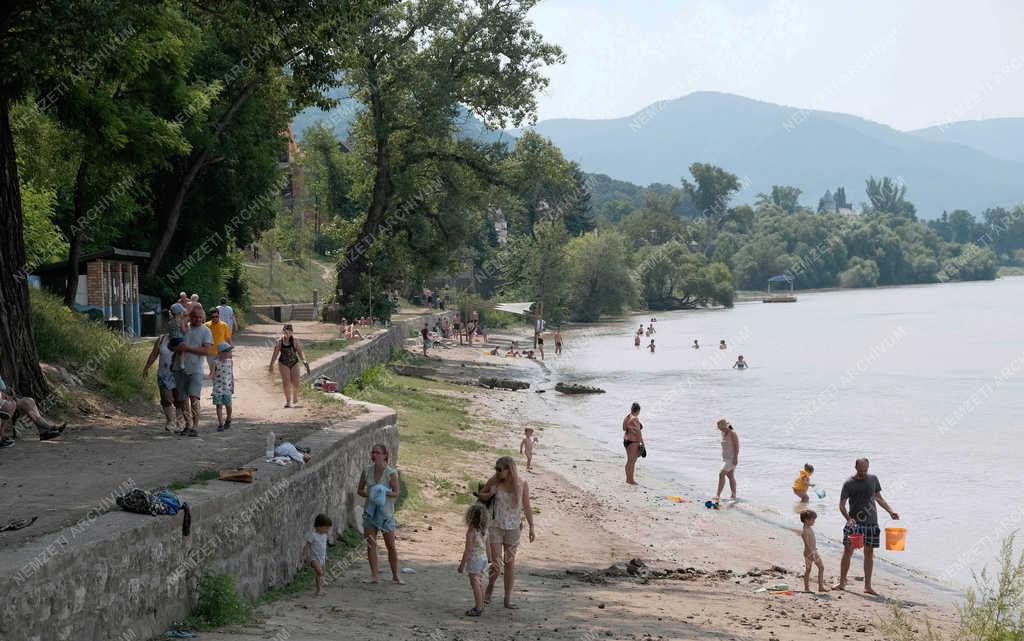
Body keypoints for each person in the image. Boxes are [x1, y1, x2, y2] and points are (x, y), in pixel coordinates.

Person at [833, 458, 899, 595]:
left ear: (868, 467)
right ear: (855, 467)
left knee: (869, 553)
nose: (863, 472)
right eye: (860, 470)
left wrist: (891, 511)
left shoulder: (873, 479)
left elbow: (879, 498)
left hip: (871, 524)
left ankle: (868, 586)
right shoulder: (848, 483)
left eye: (865, 469)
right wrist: (848, 519)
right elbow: (841, 505)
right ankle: (842, 582)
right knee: (848, 551)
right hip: (855, 524)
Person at [478, 456, 535, 609]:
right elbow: (480, 497)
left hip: (514, 529)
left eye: (499, 469)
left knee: (509, 564)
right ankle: (490, 587)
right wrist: (490, 494)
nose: (496, 472)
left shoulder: (522, 484)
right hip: (495, 527)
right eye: (495, 469)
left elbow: (527, 506)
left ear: (509, 470)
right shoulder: (494, 480)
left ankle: (507, 598)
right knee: (496, 563)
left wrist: (531, 527)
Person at [357, 444, 403, 584]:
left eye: (377, 452)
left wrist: (383, 492)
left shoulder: (391, 473)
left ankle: (395, 575)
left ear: (385, 455)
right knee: (371, 544)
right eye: (373, 452)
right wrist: (370, 494)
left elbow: (396, 493)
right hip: (370, 512)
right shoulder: (367, 470)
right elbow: (359, 490)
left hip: (385, 513)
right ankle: (374, 575)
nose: (374, 455)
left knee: (391, 545)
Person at [173, 308, 213, 436]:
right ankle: (187, 424)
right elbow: (173, 345)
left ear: (203, 318)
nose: (197, 319)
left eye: (200, 317)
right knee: (183, 399)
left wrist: (188, 348)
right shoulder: (184, 329)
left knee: (194, 398)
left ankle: (195, 426)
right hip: (181, 368)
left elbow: (206, 351)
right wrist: (176, 348)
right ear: (190, 317)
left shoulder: (206, 331)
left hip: (196, 369)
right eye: (195, 316)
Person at [0, 375, 67, 445]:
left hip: (4, 396)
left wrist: (9, 391)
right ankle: (48, 429)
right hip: (3, 399)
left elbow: (3, 387)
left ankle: (45, 430)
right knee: (23, 403)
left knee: (29, 401)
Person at [142, 333, 184, 431]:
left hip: (179, 374)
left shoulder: (185, 337)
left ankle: (180, 422)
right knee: (166, 398)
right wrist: (146, 367)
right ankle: (170, 421)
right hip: (164, 374)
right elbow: (153, 354)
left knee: (180, 399)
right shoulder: (161, 339)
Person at [458, 502, 492, 617]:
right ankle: (481, 605)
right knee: (479, 582)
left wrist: (462, 565)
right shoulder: (485, 530)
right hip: (483, 559)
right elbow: (488, 545)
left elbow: (468, 550)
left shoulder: (471, 532)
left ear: (470, 517)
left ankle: (478, 607)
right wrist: (490, 558)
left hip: (475, 560)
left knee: (475, 584)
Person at [268, 324, 308, 408]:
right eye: (286, 331)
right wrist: (271, 365)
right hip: (283, 363)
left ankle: (295, 395)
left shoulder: (296, 341)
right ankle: (288, 401)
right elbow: (275, 354)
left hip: (294, 362)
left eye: (289, 331)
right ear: (283, 331)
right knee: (286, 382)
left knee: (295, 382)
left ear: (292, 332)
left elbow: (300, 352)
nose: (287, 333)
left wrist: (304, 360)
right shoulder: (279, 342)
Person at [304, 513, 332, 596]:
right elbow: (307, 545)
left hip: (322, 558)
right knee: (319, 572)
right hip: (314, 559)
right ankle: (319, 590)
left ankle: (320, 589)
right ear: (319, 526)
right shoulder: (313, 535)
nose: (327, 530)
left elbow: (324, 547)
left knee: (322, 573)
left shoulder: (324, 535)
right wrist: (305, 555)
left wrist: (326, 556)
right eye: (326, 528)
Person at [800, 509, 827, 592]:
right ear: (806, 520)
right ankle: (816, 587)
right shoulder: (805, 531)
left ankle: (812, 588)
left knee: (810, 570)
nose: (814, 522)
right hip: (811, 553)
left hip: (810, 552)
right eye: (813, 520)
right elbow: (807, 544)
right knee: (820, 568)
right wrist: (812, 553)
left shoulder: (808, 528)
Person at [714, 419, 739, 501]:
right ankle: (733, 495)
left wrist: (735, 458)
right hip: (725, 458)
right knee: (730, 475)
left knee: (721, 474)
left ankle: (718, 495)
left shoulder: (733, 433)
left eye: (721, 428)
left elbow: (736, 447)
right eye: (719, 428)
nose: (720, 430)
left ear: (725, 426)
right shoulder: (723, 433)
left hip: (732, 458)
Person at [212, 342, 234, 432]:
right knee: (219, 406)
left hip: (227, 388)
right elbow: (212, 374)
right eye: (228, 351)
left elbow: (232, 374)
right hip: (218, 388)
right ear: (221, 353)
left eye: (230, 351)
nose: (230, 353)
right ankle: (221, 424)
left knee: (228, 405)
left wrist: (233, 386)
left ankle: (228, 418)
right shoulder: (215, 363)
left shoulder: (230, 362)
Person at [204, 307, 232, 378]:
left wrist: (230, 349)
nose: (215, 318)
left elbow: (228, 338)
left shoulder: (224, 325)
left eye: (216, 316)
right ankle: (215, 382)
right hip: (210, 352)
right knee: (212, 369)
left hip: (221, 352)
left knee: (220, 370)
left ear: (219, 316)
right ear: (210, 316)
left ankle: (220, 384)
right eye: (213, 317)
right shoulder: (206, 325)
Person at [622, 402, 644, 485]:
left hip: (626, 441)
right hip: (633, 442)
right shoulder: (635, 418)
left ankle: (628, 479)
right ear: (638, 410)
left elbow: (624, 428)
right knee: (632, 462)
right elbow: (638, 433)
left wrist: (630, 428)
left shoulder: (627, 417)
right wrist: (642, 444)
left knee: (629, 461)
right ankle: (631, 480)